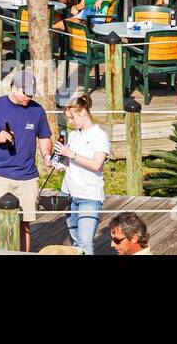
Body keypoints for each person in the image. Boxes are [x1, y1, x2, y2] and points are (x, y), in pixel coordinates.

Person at [0, 70, 52, 252]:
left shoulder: (37, 110)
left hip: (26, 176)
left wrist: (47, 156)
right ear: (14, 88)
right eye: (26, 93)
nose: (29, 97)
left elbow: (44, 137)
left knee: (24, 225)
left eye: (32, 93)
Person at [53, 93, 109, 255]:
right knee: (76, 242)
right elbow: (71, 161)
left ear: (83, 113)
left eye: (72, 118)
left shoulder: (100, 136)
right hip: (69, 193)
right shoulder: (73, 135)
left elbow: (96, 165)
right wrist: (60, 163)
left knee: (85, 243)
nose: (70, 122)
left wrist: (70, 154)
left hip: (89, 195)